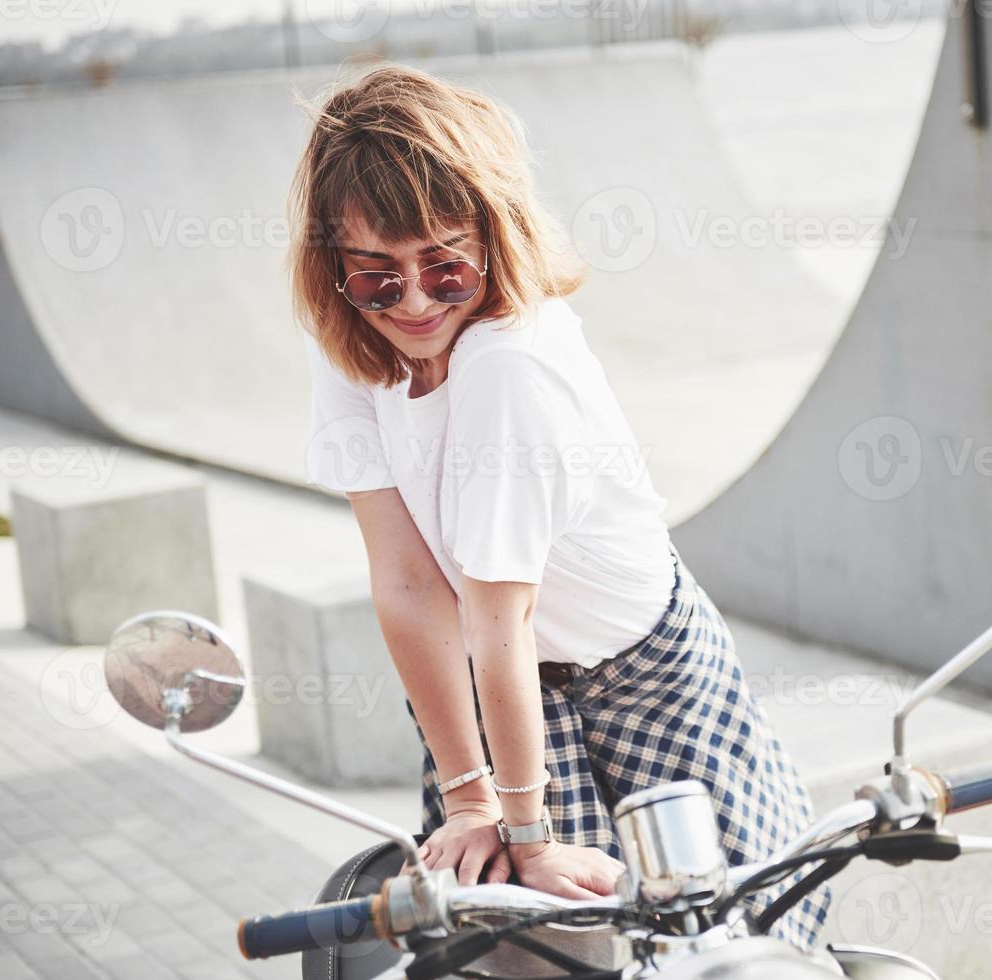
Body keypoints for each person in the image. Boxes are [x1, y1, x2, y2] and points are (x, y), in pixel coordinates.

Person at [290, 64, 828, 950]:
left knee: (722, 940)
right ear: (336, 269)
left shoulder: (510, 366)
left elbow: (505, 608)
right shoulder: (350, 336)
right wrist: (471, 802)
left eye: (444, 265)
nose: (414, 300)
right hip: (490, 672)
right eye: (376, 275)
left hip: (641, 675)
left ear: (494, 239)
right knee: (519, 943)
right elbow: (409, 585)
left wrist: (529, 829)